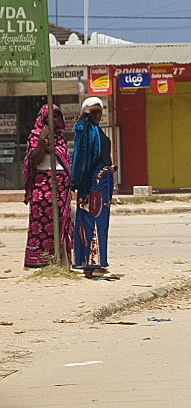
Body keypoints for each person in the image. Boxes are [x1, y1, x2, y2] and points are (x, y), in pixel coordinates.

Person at [22, 104, 73, 268]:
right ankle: (39, 261)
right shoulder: (35, 135)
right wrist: (42, 141)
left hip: (61, 187)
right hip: (42, 186)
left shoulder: (60, 137)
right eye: (50, 116)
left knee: (61, 222)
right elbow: (34, 160)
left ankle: (59, 261)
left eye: (57, 116)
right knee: (41, 223)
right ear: (42, 118)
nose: (54, 119)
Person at [71, 97, 115, 278]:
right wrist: (85, 116)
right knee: (94, 221)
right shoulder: (85, 129)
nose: (98, 114)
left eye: (100, 110)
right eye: (93, 111)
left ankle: (93, 264)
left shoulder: (97, 131)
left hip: (102, 182)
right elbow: (80, 149)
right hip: (92, 183)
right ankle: (95, 266)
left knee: (98, 222)